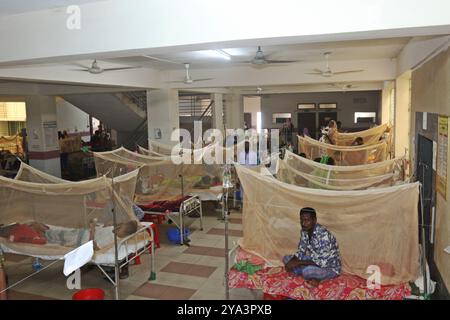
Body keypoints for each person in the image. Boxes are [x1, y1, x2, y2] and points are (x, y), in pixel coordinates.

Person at [283, 207, 341, 287]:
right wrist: (291, 262)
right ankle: (311, 276)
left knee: (308, 271)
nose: (303, 223)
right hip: (313, 259)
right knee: (286, 259)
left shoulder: (323, 235)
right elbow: (301, 251)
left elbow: (322, 262)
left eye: (307, 220)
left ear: (314, 220)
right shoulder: (304, 231)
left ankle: (310, 275)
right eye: (302, 220)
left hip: (329, 267)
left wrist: (298, 263)